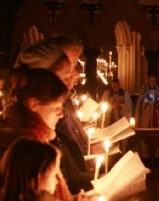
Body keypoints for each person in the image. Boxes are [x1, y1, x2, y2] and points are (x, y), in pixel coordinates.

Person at [1, 65, 93, 193]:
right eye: (56, 107)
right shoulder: (22, 146)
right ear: (34, 105)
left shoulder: (33, 136)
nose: (61, 114)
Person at [134, 74, 159, 157]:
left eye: (154, 81)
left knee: (157, 135)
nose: (152, 83)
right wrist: (144, 104)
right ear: (148, 81)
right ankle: (145, 154)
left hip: (157, 116)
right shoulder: (143, 90)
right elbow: (139, 103)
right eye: (151, 81)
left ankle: (157, 154)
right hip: (146, 118)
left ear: (156, 81)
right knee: (145, 135)